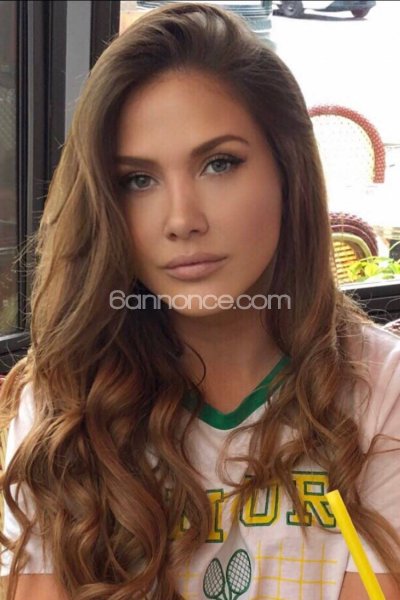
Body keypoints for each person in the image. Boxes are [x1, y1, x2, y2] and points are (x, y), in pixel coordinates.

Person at [1, 2, 400, 599]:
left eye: (219, 164)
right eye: (138, 180)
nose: (182, 219)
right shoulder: (62, 402)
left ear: (287, 171)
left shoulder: (380, 391)